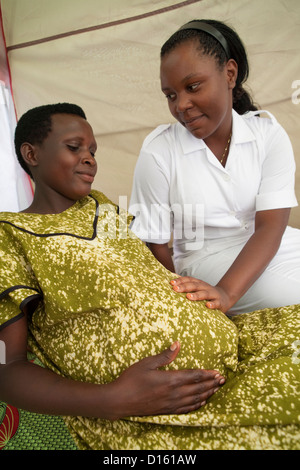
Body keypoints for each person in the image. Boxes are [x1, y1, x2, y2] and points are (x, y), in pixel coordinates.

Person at [0, 103, 299, 450]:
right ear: (31, 153)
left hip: (237, 346)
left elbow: (149, 273)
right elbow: (8, 369)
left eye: (93, 151)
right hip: (161, 409)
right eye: (74, 147)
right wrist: (111, 400)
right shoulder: (11, 235)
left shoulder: (104, 210)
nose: (90, 158)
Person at [129, 19, 300, 315]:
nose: (181, 104)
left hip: (274, 244)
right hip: (206, 261)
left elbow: (272, 225)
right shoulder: (159, 151)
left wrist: (228, 293)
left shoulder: (267, 134)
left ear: (229, 74)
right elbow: (153, 243)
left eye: (192, 87)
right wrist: (194, 299)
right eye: (171, 95)